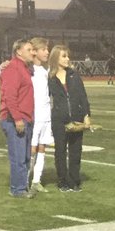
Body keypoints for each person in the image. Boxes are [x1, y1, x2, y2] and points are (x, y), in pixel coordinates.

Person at [48, 44, 91, 192]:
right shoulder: (50, 77)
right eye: (64, 56)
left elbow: (82, 96)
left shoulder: (74, 75)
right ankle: (62, 181)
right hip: (59, 120)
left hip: (76, 118)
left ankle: (74, 180)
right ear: (55, 58)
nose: (68, 59)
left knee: (75, 151)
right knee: (60, 151)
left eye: (68, 56)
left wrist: (86, 115)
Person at [0, 37, 36, 197]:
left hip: (25, 117)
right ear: (19, 51)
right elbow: (10, 96)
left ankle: (22, 187)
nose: (32, 52)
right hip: (14, 119)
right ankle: (18, 189)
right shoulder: (13, 68)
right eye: (29, 50)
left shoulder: (23, 68)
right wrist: (18, 118)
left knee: (25, 156)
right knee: (19, 157)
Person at [28, 36, 53, 193]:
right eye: (44, 49)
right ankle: (25, 179)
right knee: (31, 149)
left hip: (45, 116)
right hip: (34, 116)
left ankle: (37, 180)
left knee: (42, 147)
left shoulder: (44, 71)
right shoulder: (28, 70)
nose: (47, 52)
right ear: (35, 51)